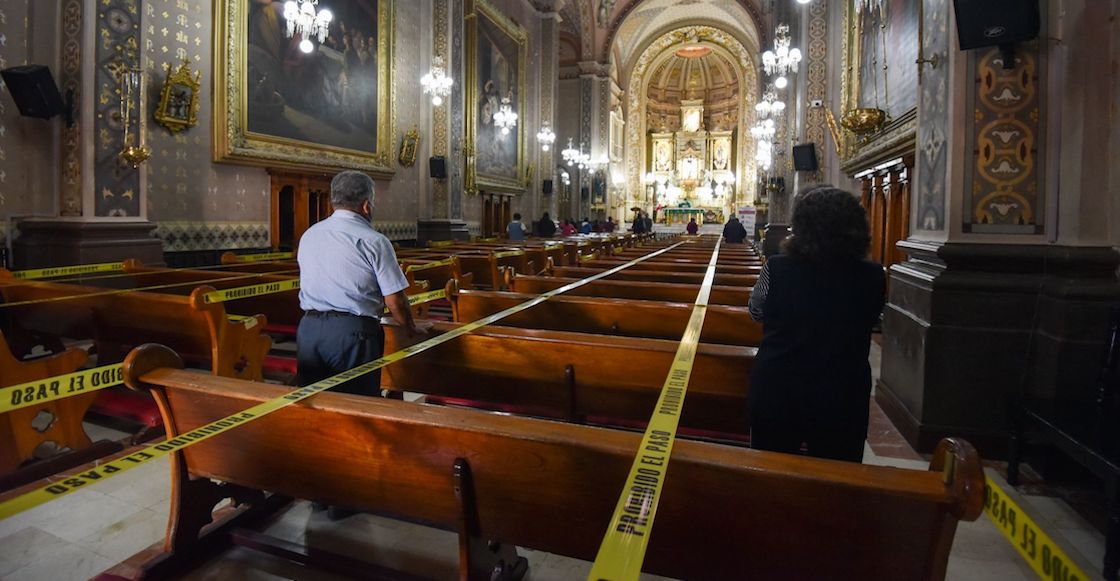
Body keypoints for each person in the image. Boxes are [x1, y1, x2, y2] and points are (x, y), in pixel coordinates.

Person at [747, 186, 885, 463]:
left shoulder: (776, 267)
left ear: (800, 226)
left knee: (771, 467)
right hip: (842, 390)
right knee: (838, 473)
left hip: (779, 384)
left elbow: (756, 310)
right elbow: (872, 319)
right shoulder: (873, 275)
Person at [297, 171, 425, 399]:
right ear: (366, 205)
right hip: (352, 334)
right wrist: (409, 327)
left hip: (309, 330)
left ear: (334, 200)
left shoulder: (309, 235)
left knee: (314, 403)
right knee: (357, 405)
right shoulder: (374, 241)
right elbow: (395, 300)